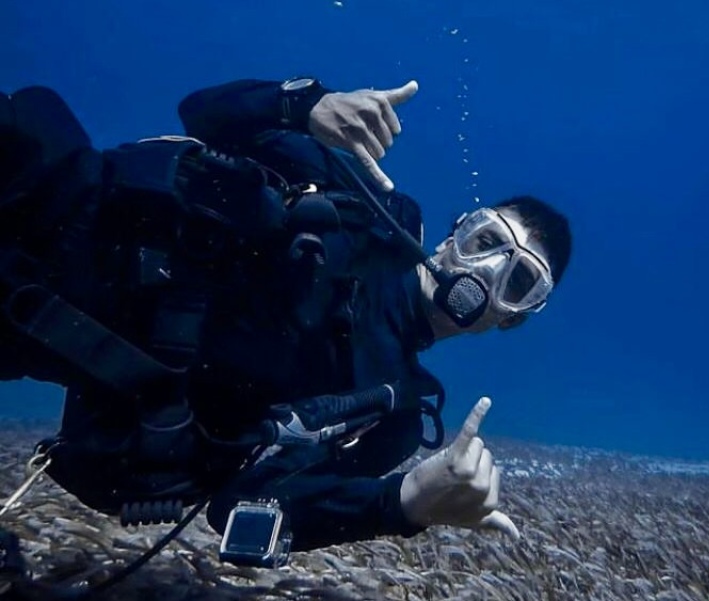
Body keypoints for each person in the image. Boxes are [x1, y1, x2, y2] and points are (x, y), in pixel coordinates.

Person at [0, 77, 572, 578]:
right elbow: (202, 113)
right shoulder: (366, 203)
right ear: (453, 240)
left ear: (513, 317)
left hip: (31, 330)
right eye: (487, 242)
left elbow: (239, 508)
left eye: (517, 279)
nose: (486, 273)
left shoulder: (392, 417)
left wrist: (405, 503)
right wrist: (302, 102)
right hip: (47, 184)